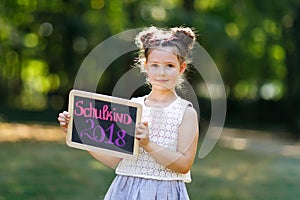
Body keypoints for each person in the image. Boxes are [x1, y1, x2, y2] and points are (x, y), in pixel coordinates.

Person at [58, 26, 199, 200]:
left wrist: (148, 144)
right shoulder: (132, 108)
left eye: (169, 66)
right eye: (155, 65)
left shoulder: (185, 112)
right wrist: (77, 132)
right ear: (145, 66)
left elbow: (184, 164)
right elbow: (114, 159)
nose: (161, 72)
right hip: (126, 190)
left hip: (165, 192)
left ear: (181, 67)